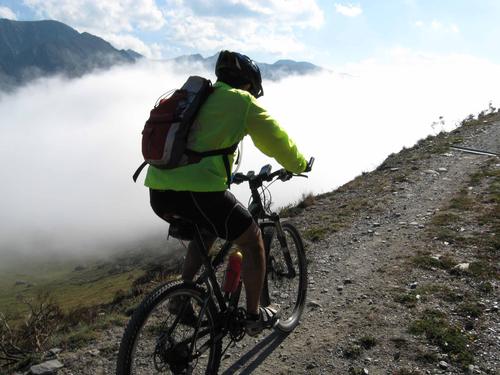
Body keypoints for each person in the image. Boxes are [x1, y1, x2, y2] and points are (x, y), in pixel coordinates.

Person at [144, 50, 308, 336]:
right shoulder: (241, 102)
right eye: (254, 92)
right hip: (199, 194)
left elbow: (198, 145)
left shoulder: (196, 97)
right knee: (253, 240)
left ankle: (184, 294)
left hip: (158, 191)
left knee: (206, 230)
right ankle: (254, 316)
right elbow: (276, 141)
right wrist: (300, 164)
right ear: (248, 86)